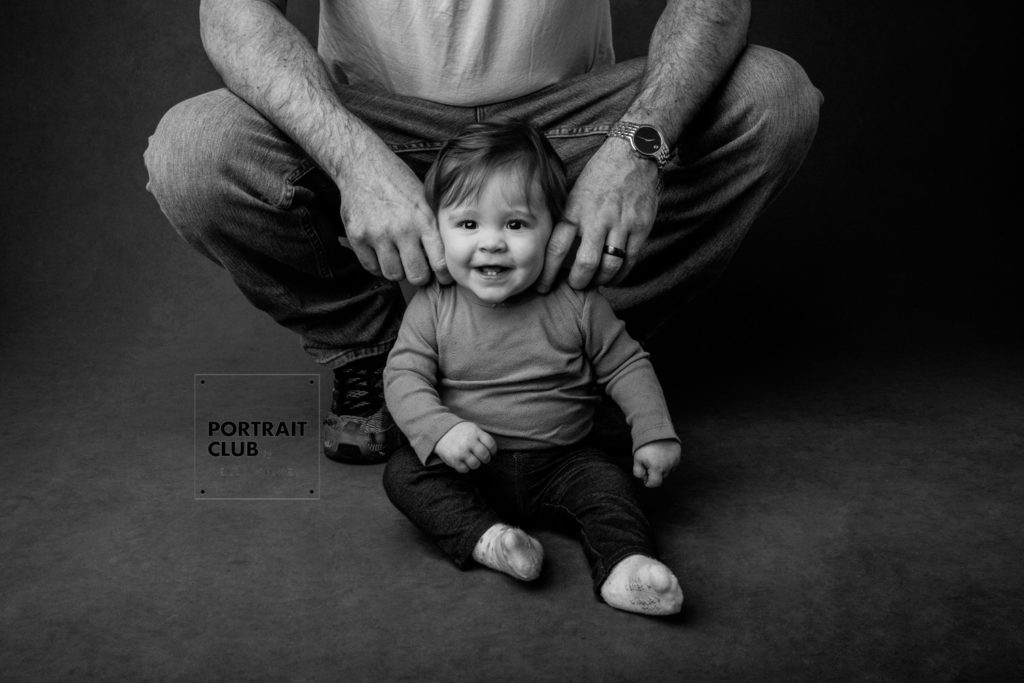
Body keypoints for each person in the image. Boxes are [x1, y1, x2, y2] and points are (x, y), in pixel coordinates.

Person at [144, 0, 821, 464]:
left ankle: (565, 337)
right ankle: (377, 354)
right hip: (380, 126)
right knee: (194, 152)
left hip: (562, 129)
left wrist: (636, 148)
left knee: (772, 96)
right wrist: (354, 159)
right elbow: (232, 11)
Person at [383, 118, 683, 615]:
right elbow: (403, 376)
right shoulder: (433, 305)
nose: (492, 242)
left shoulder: (577, 302)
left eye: (516, 224)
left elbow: (626, 365)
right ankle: (490, 540)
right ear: (437, 230)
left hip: (565, 460)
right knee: (405, 474)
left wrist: (653, 431)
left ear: (556, 230)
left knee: (611, 490)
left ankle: (627, 567)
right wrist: (440, 431)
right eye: (468, 224)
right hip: (471, 465)